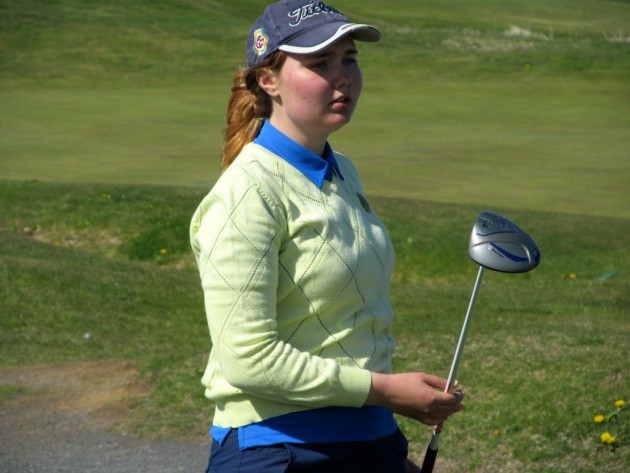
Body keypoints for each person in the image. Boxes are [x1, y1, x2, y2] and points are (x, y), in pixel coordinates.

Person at [190, 1, 464, 472]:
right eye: (320, 63)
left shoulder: (342, 171)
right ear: (267, 80)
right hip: (279, 450)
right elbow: (247, 359)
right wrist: (386, 390)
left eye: (349, 60)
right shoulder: (247, 192)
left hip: (371, 441)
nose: (344, 78)